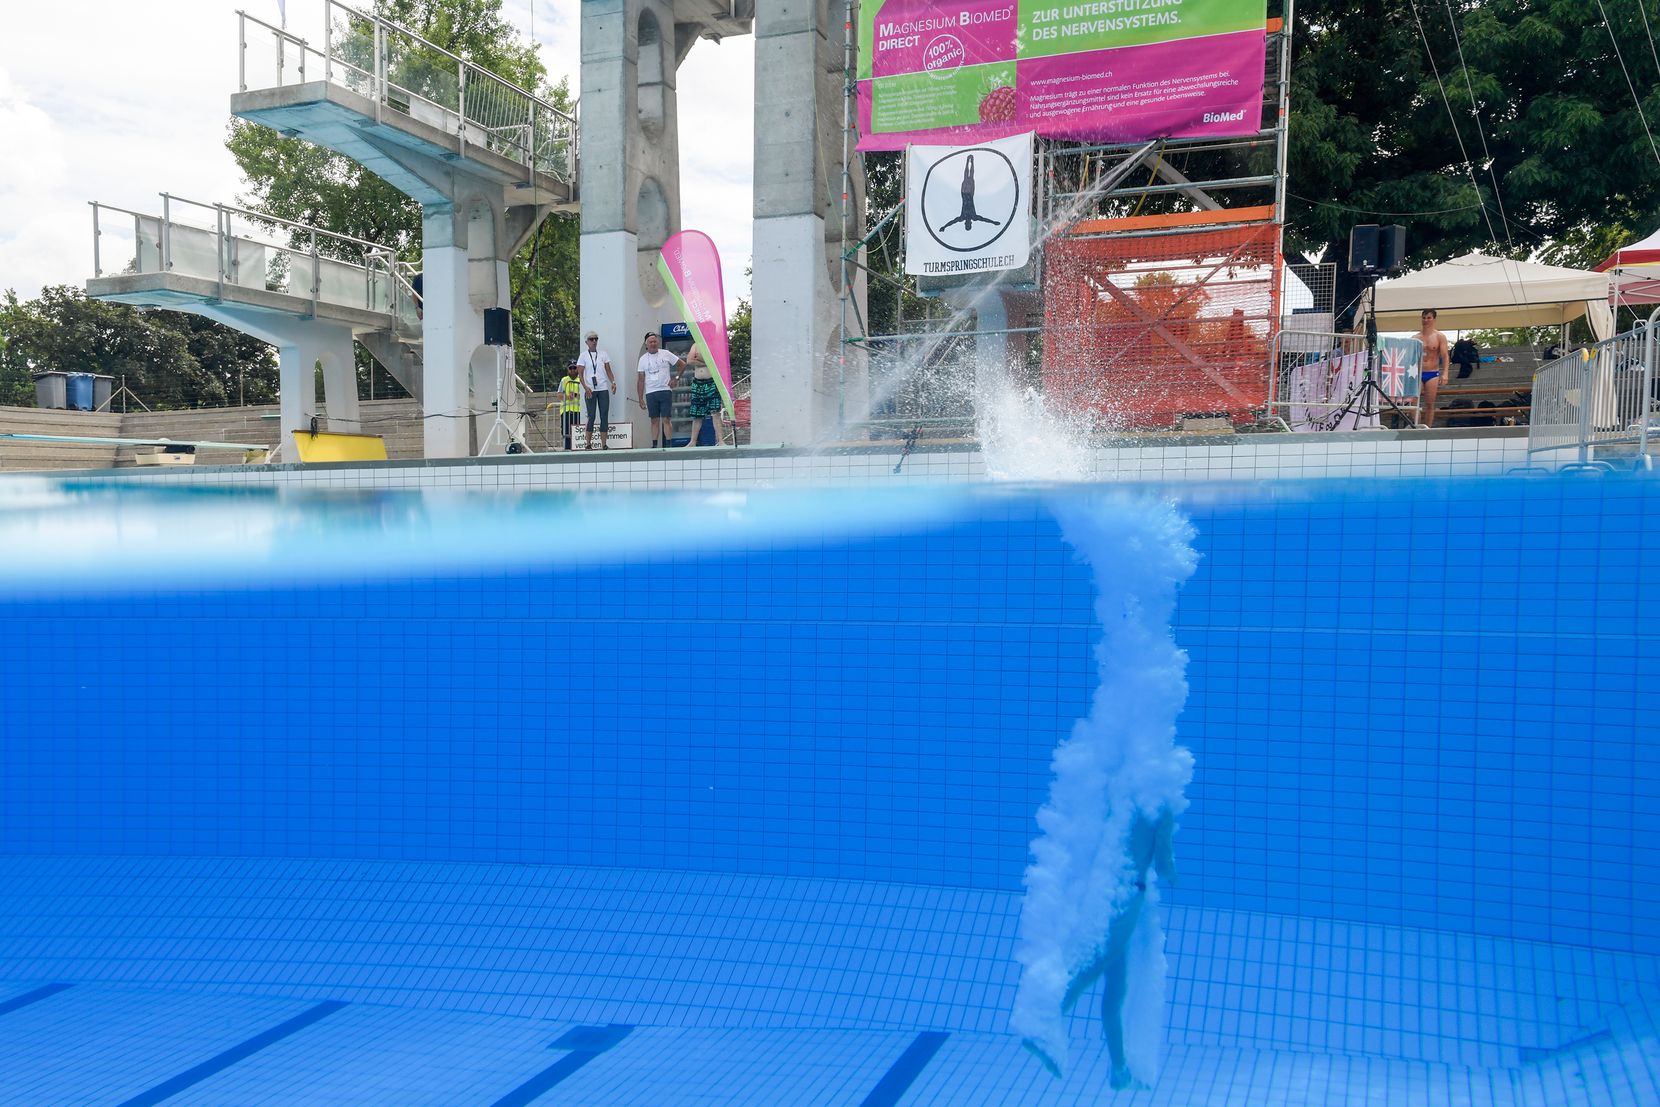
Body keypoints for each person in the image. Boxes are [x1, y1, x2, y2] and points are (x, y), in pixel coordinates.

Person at [1027, 806, 1176, 1090]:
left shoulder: (1120, 792)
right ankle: (1043, 1024)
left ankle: (1119, 1069)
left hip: (1105, 889)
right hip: (1129, 893)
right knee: (1097, 962)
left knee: (1117, 987)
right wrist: (1172, 869)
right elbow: (1164, 864)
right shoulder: (1160, 802)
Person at [636, 332, 698, 449]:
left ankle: (669, 444)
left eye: (655, 341)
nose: (653, 344)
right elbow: (640, 379)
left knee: (666, 418)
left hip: (665, 390)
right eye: (650, 342)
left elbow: (682, 364)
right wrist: (640, 398)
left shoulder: (665, 353)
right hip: (650, 392)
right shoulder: (643, 359)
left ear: (657, 342)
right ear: (646, 344)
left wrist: (676, 378)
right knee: (654, 419)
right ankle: (654, 445)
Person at [578, 330, 617, 450]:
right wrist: (585, 387)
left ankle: (604, 444)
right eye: (591, 339)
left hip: (603, 388)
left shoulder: (603, 354)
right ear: (586, 342)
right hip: (590, 389)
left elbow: (608, 370)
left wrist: (613, 382)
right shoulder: (583, 355)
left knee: (604, 415)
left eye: (596, 339)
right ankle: (588, 444)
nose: (594, 341)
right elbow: (580, 373)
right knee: (591, 416)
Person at [1417, 308, 1451, 427]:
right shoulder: (1416, 338)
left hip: (1432, 372)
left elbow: (1445, 356)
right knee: (1413, 401)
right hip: (1417, 372)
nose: (1426, 320)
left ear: (1434, 319)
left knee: (1430, 403)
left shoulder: (1439, 336)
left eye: (1429, 318)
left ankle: (1427, 427)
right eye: (1424, 317)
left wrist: (1445, 373)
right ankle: (1416, 425)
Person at [687, 357, 725, 447]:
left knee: (715, 413)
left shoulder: (714, 345)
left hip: (712, 382)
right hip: (697, 383)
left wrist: (699, 361)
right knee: (697, 414)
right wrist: (706, 362)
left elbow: (716, 360)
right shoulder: (696, 345)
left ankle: (721, 441)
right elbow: (689, 360)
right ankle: (693, 441)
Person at [557, 361, 584, 450]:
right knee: (566, 433)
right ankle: (567, 450)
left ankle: (578, 449)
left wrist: (575, 395)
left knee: (578, 433)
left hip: (579, 411)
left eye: (574, 368)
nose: (572, 370)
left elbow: (584, 395)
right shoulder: (564, 380)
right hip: (566, 411)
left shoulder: (581, 379)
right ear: (568, 369)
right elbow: (559, 395)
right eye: (570, 368)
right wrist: (568, 397)